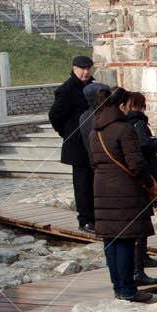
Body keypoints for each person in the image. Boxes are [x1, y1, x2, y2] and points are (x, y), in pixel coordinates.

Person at [89, 90, 157, 302]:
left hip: (102, 188)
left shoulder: (95, 131)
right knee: (126, 240)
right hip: (125, 191)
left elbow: (93, 162)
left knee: (110, 240)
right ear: (121, 106)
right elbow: (136, 164)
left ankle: (118, 287)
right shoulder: (124, 129)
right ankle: (128, 289)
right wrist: (150, 183)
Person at [48, 55, 98, 230]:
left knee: (95, 182)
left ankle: (96, 216)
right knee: (82, 184)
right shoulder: (67, 89)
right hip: (77, 143)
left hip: (93, 141)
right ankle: (85, 220)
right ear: (74, 68)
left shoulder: (93, 86)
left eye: (88, 69)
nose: (85, 72)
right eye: (82, 69)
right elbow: (55, 115)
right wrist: (66, 133)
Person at [122, 89, 157, 268]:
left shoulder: (125, 123)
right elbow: (144, 144)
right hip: (145, 174)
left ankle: (140, 256)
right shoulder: (138, 123)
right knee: (143, 218)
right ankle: (141, 258)